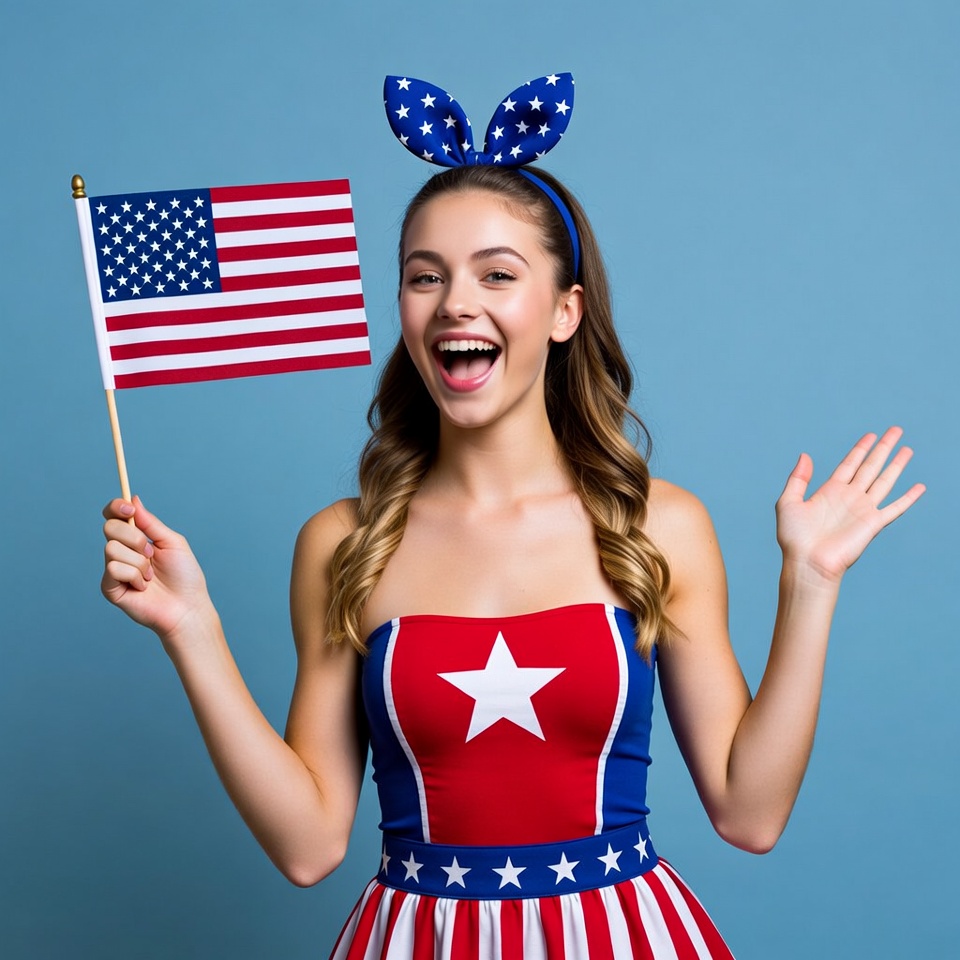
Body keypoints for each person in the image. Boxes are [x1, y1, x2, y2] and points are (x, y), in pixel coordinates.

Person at [100, 74, 924, 959]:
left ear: (565, 311)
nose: (457, 301)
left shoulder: (658, 526)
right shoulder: (342, 543)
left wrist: (810, 586)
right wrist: (193, 630)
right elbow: (309, 848)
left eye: (498, 273)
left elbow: (750, 813)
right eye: (426, 276)